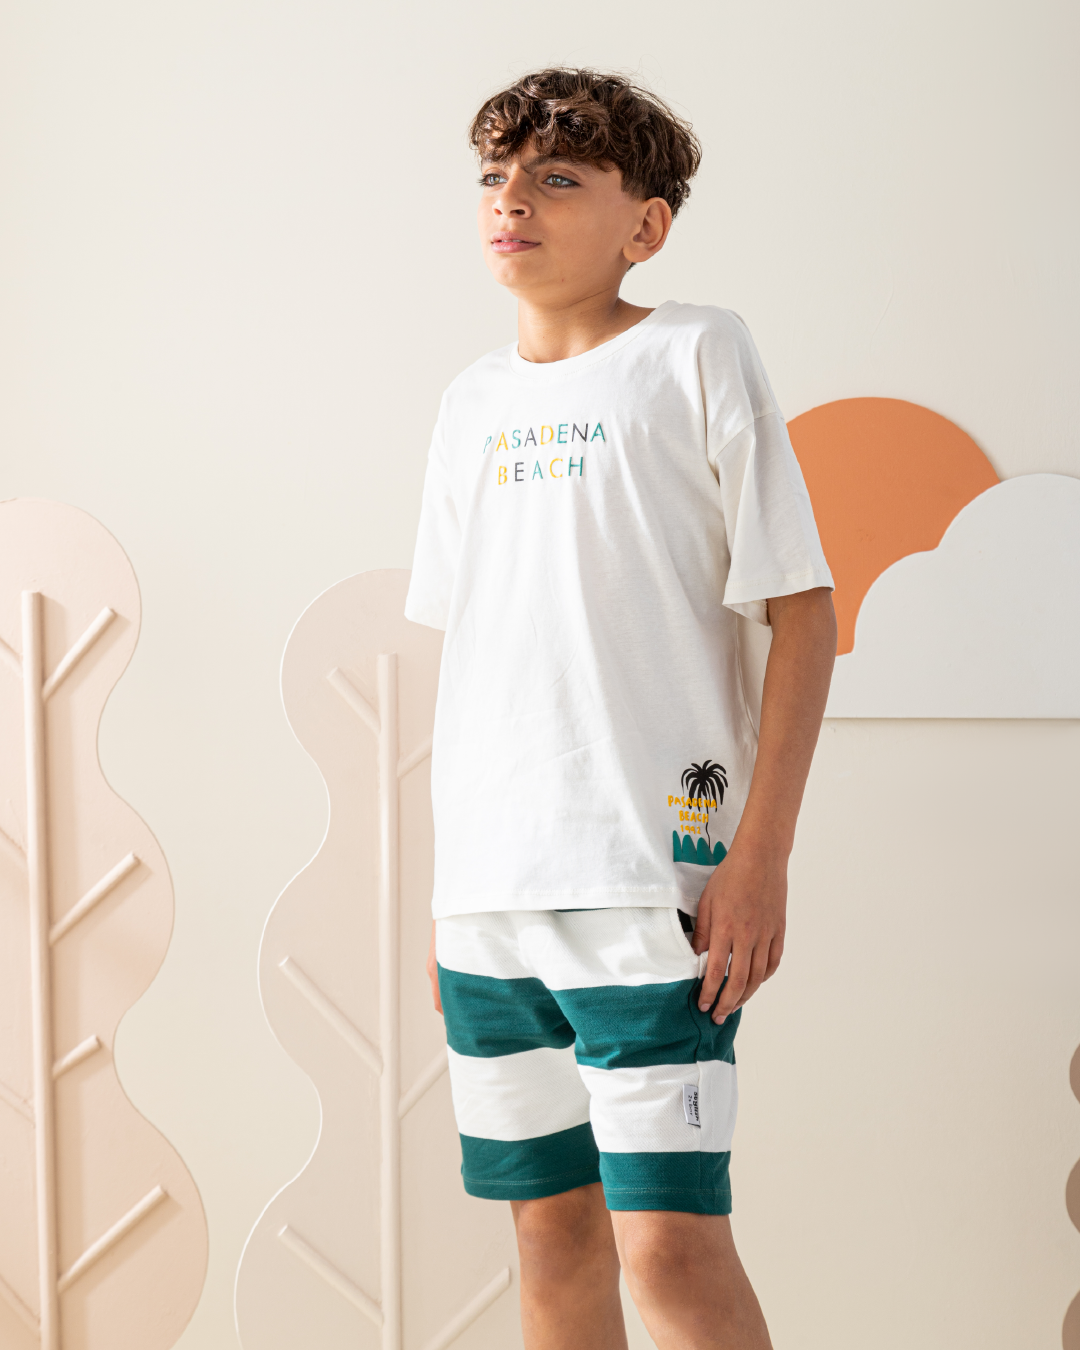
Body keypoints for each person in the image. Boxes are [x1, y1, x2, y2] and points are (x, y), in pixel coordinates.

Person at [404, 67, 836, 1350]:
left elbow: (804, 615)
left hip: (653, 884)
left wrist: (759, 858)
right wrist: (452, 892)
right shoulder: (469, 405)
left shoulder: (696, 352)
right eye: (495, 176)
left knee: (672, 1250)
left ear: (644, 224)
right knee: (551, 1242)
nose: (512, 201)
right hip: (490, 899)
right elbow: (481, 655)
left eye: (557, 178)